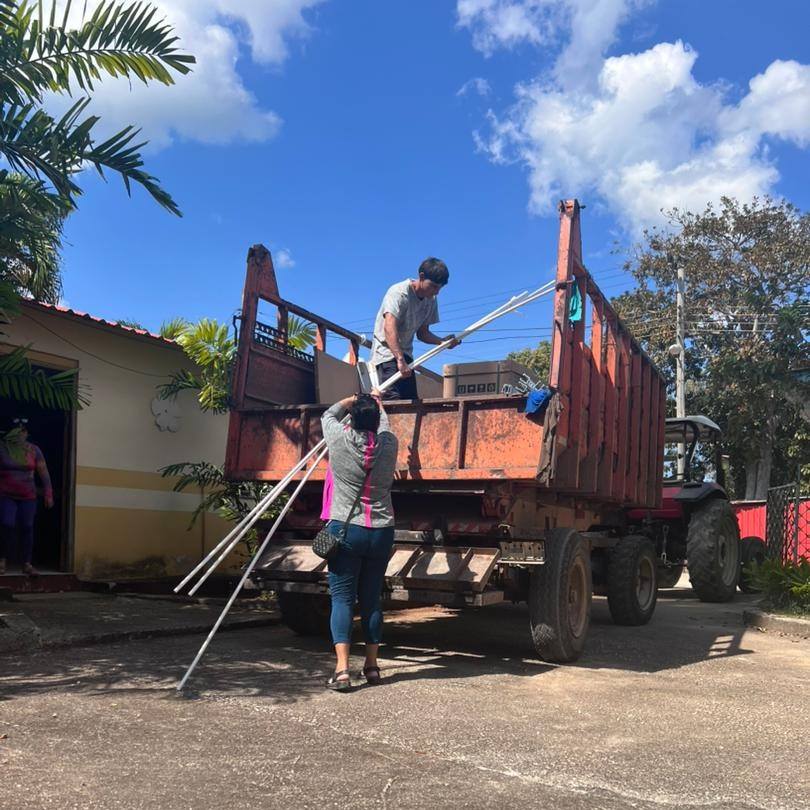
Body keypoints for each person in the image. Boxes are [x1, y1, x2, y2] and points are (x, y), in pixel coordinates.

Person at [320, 390, 398, 690]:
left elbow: (328, 414)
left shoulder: (338, 439)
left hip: (345, 529)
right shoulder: (389, 444)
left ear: (352, 417)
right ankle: (372, 666)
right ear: (376, 420)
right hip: (381, 530)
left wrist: (351, 399)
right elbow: (385, 424)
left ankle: (342, 670)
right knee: (371, 599)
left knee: (342, 599)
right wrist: (377, 403)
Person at [370, 257, 459, 400]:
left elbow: (423, 333)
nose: (436, 292)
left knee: (411, 403)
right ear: (422, 277)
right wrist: (399, 359)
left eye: (440, 288)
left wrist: (442, 342)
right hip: (387, 355)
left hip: (406, 357)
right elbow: (389, 326)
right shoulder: (399, 292)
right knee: (394, 402)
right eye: (434, 286)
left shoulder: (431, 300)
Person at [0, 417, 53, 576]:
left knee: (27, 527)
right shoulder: (2, 448)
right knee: (6, 524)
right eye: (17, 431)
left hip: (28, 496)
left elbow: (43, 471)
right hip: (5, 494)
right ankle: (2, 560)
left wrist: (48, 493)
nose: (20, 434)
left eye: (23, 431)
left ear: (27, 433)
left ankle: (27, 564)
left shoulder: (34, 450)